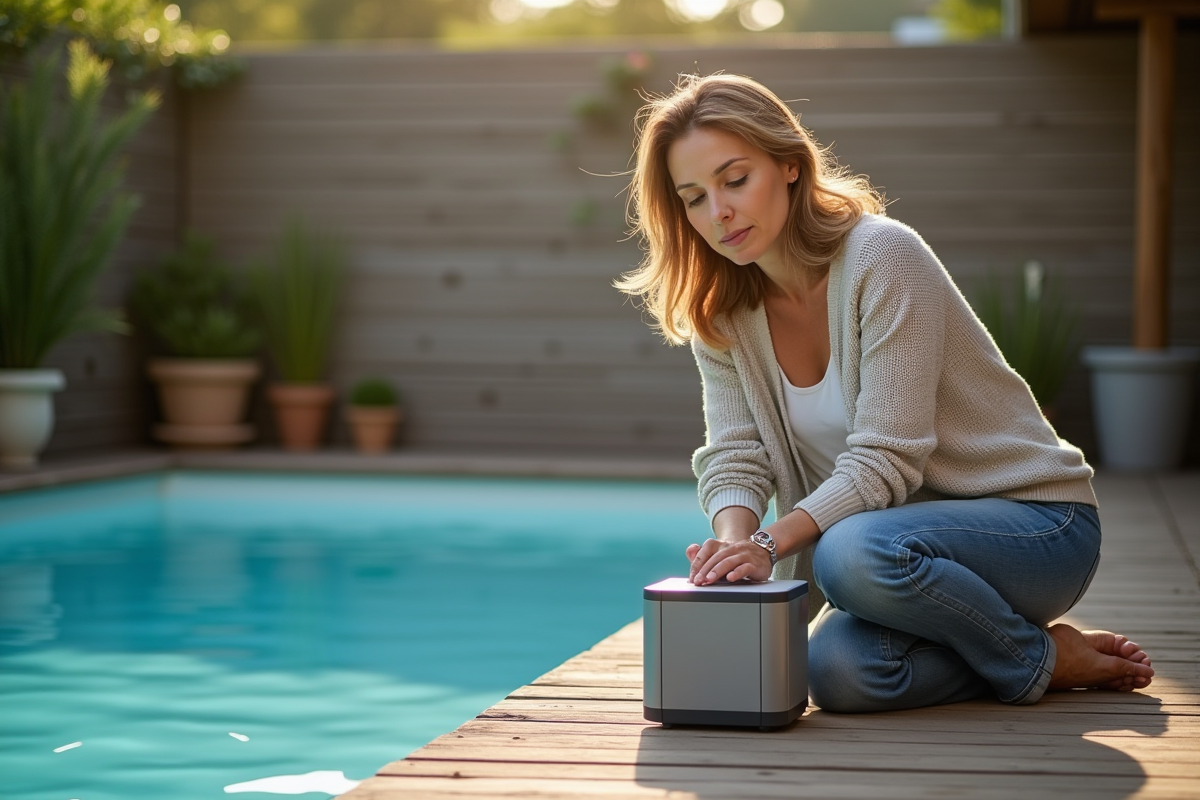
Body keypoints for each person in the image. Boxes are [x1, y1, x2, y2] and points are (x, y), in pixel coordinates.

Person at [616, 73, 1154, 712]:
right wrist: (733, 544)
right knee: (836, 671)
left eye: (735, 180)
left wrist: (769, 543)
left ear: (790, 165)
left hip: (1036, 528)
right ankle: (1034, 653)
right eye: (694, 197)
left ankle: (1031, 657)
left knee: (848, 552)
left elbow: (885, 463)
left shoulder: (882, 258)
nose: (719, 212)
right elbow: (735, 453)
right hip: (894, 565)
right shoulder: (723, 312)